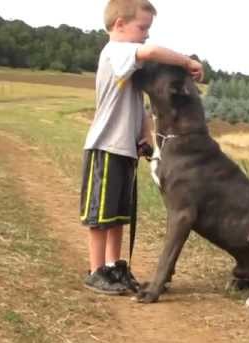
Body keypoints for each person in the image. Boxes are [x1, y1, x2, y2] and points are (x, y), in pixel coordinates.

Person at [80, 0, 204, 295]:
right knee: (100, 216)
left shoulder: (129, 65)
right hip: (106, 148)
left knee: (118, 215)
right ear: (119, 25)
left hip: (124, 149)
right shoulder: (115, 52)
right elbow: (149, 52)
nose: (146, 35)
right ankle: (96, 270)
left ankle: (113, 266)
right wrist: (186, 61)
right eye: (143, 27)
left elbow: (138, 108)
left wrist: (145, 137)